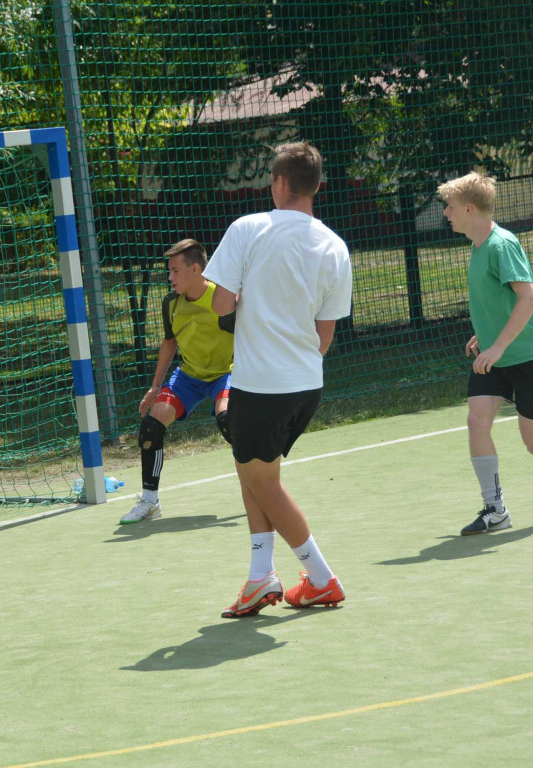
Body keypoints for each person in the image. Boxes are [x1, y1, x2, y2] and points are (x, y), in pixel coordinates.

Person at [204, 142, 352, 617]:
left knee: (263, 482)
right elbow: (325, 332)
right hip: (307, 384)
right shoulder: (335, 245)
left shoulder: (248, 228)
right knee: (255, 472)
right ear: (317, 186)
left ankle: (322, 577)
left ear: (281, 183)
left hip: (260, 384)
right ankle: (258, 577)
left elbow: (221, 305)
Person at [438, 171, 533, 536]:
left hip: (530, 354)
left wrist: (500, 343)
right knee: (477, 420)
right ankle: (495, 509)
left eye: (450, 206)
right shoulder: (477, 246)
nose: (446, 213)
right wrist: (485, 333)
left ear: (469, 208)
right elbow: (500, 301)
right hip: (494, 355)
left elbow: (528, 298)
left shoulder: (501, 245)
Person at [120, 238, 235, 524]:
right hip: (189, 375)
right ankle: (149, 502)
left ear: (195, 269)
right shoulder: (171, 303)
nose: (169, 277)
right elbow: (169, 343)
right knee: (151, 425)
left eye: (175, 271)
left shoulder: (222, 298)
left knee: (228, 420)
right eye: (168, 271)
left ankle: (261, 485)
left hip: (227, 372)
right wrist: (155, 387)